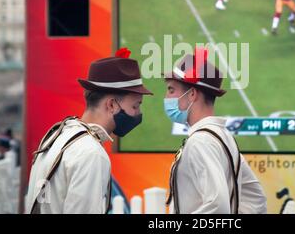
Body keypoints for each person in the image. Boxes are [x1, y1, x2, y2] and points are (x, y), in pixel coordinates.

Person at [26, 47, 152, 214]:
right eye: (135, 106)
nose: (138, 113)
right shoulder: (91, 153)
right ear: (112, 105)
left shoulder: (58, 134)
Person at [164, 48, 267, 214]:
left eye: (171, 90)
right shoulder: (223, 136)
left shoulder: (201, 141)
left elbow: (218, 205)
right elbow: (256, 198)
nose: (167, 97)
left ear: (191, 94)